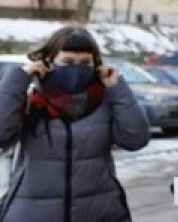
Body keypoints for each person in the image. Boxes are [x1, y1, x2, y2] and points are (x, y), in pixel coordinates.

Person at [0, 26, 150, 221]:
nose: (76, 69)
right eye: (68, 62)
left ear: (96, 65)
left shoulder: (104, 103)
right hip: (33, 213)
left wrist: (118, 88)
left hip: (100, 212)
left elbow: (136, 139)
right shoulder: (32, 101)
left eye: (84, 63)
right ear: (49, 62)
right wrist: (18, 80)